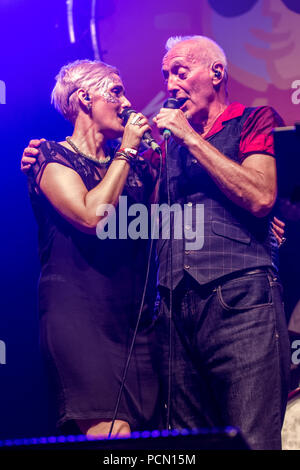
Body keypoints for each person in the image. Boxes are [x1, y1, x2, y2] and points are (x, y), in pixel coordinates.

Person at [149, 35, 291, 450]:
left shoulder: (252, 118)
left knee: (251, 440)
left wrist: (191, 138)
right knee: (188, 448)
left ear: (216, 72)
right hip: (175, 308)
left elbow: (261, 195)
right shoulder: (166, 145)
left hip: (240, 299)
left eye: (181, 71)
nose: (171, 84)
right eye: (165, 75)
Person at [22, 59, 160, 438]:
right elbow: (90, 215)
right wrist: (128, 151)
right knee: (112, 437)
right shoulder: (50, 157)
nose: (127, 101)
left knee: (155, 439)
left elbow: (172, 221)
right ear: (84, 98)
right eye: (115, 91)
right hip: (79, 319)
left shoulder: (140, 169)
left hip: (135, 323)